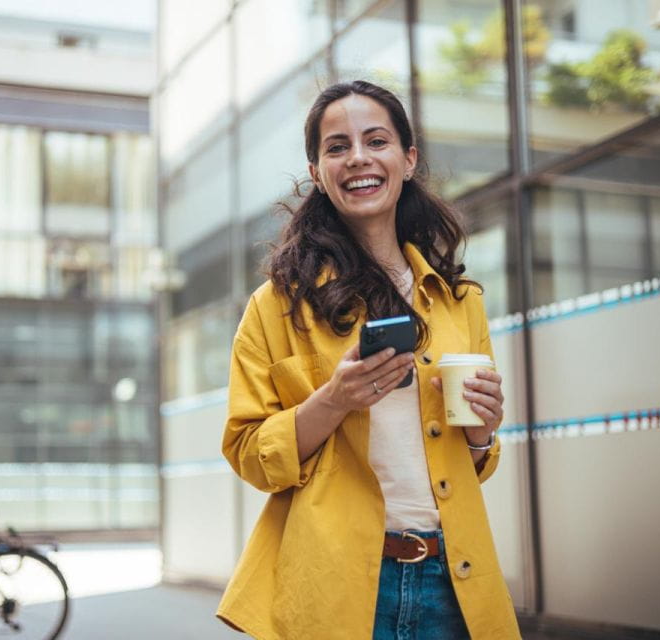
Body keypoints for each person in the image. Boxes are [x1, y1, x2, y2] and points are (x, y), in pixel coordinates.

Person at [216, 81, 520, 640]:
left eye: (376, 141)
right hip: (338, 583)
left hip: (454, 578)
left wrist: (481, 433)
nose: (357, 157)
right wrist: (333, 400)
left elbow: (475, 460)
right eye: (337, 146)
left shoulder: (460, 301)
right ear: (317, 171)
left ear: (407, 160)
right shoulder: (276, 305)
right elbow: (248, 453)